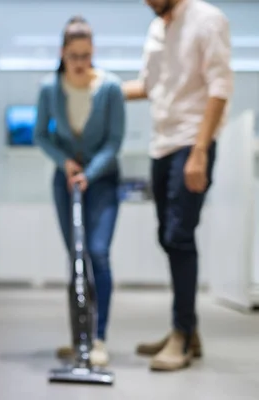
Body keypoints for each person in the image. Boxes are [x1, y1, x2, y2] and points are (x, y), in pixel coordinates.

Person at [122, 0, 233, 371]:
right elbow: (152, 87)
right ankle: (188, 330)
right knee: (167, 237)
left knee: (179, 236)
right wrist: (100, 85)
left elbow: (220, 87)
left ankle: (181, 336)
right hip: (161, 146)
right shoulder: (157, 28)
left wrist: (200, 151)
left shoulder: (207, 19)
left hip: (192, 143)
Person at [34, 16, 126, 367]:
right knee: (76, 256)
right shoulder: (49, 88)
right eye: (73, 55)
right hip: (66, 179)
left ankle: (99, 337)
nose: (80, 63)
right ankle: (80, 339)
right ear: (63, 53)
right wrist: (65, 163)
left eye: (86, 55)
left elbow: (114, 141)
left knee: (98, 253)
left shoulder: (111, 88)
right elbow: (41, 134)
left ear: (93, 53)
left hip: (102, 180)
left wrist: (90, 171)